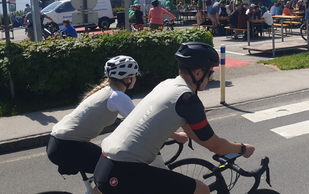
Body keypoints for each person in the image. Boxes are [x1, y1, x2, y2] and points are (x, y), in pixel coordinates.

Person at [95, 43, 255, 194]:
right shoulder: (187, 99)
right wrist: (242, 149)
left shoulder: (167, 84)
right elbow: (215, 146)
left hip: (105, 164)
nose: (209, 78)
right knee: (202, 190)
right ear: (198, 73)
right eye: (210, 73)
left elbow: (195, 133)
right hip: (124, 171)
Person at [47, 56, 153, 194]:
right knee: (116, 171)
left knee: (110, 170)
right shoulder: (117, 96)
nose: (136, 79)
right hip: (68, 147)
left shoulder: (107, 91)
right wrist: (172, 134)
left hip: (60, 143)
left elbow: (122, 122)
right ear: (128, 79)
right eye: (135, 76)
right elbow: (141, 122)